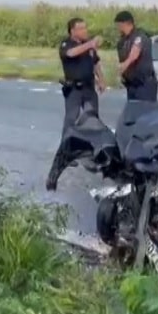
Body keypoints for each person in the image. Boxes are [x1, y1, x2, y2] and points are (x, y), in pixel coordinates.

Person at [45, 17, 105, 191]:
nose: (85, 31)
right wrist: (90, 44)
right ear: (73, 30)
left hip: (88, 88)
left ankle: (93, 154)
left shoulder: (88, 45)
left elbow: (96, 63)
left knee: (93, 119)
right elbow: (71, 54)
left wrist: (102, 79)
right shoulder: (67, 44)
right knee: (71, 121)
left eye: (85, 28)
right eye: (81, 28)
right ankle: (66, 155)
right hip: (74, 90)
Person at [114, 11, 158, 101]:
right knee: (133, 112)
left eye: (119, 25)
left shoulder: (140, 36)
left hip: (144, 85)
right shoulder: (122, 41)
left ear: (125, 23)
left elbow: (135, 54)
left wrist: (124, 65)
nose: (118, 28)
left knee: (145, 112)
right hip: (131, 85)